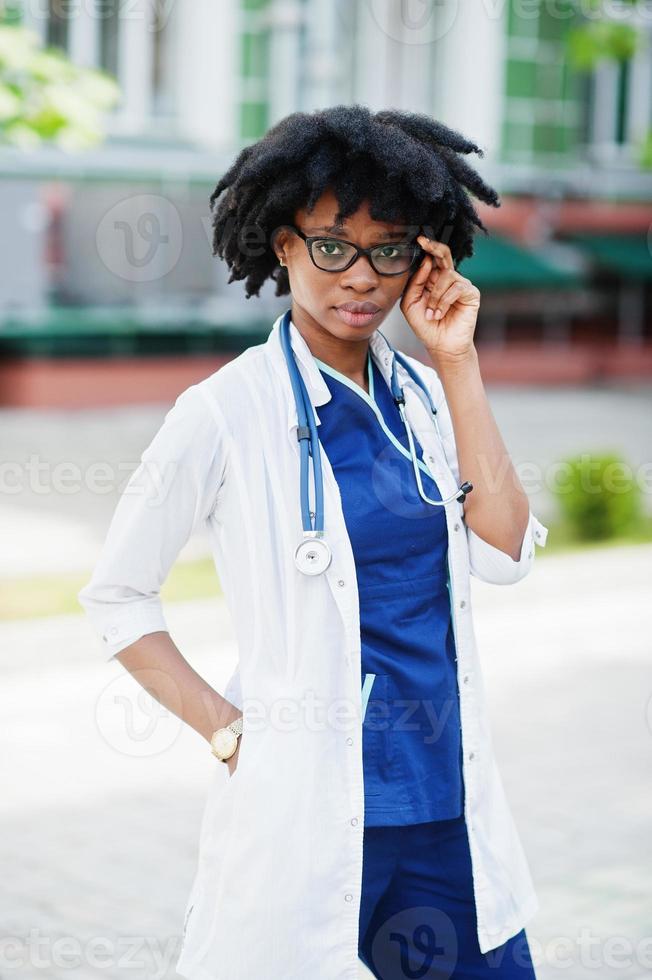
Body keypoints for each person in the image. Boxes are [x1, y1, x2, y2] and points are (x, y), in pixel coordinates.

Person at [78, 105, 548, 980]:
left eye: (390, 249)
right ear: (283, 244)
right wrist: (227, 734)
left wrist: (459, 363)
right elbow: (117, 596)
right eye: (333, 247)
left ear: (424, 255)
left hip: (445, 812)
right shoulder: (224, 411)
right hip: (305, 817)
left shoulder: (427, 397)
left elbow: (506, 552)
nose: (361, 277)